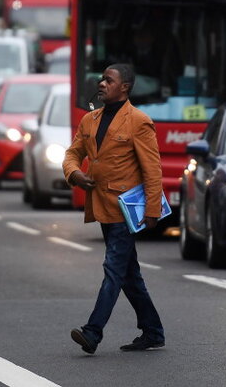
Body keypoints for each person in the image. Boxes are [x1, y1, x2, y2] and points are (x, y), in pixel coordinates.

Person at [63, 63, 166, 354]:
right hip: (102, 207)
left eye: (109, 80)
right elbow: (72, 154)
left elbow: (152, 169)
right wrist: (74, 173)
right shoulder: (90, 120)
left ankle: (92, 332)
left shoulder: (139, 121)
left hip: (125, 211)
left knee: (113, 270)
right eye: (102, 79)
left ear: (125, 87)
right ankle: (153, 331)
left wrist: (153, 209)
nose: (102, 83)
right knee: (128, 274)